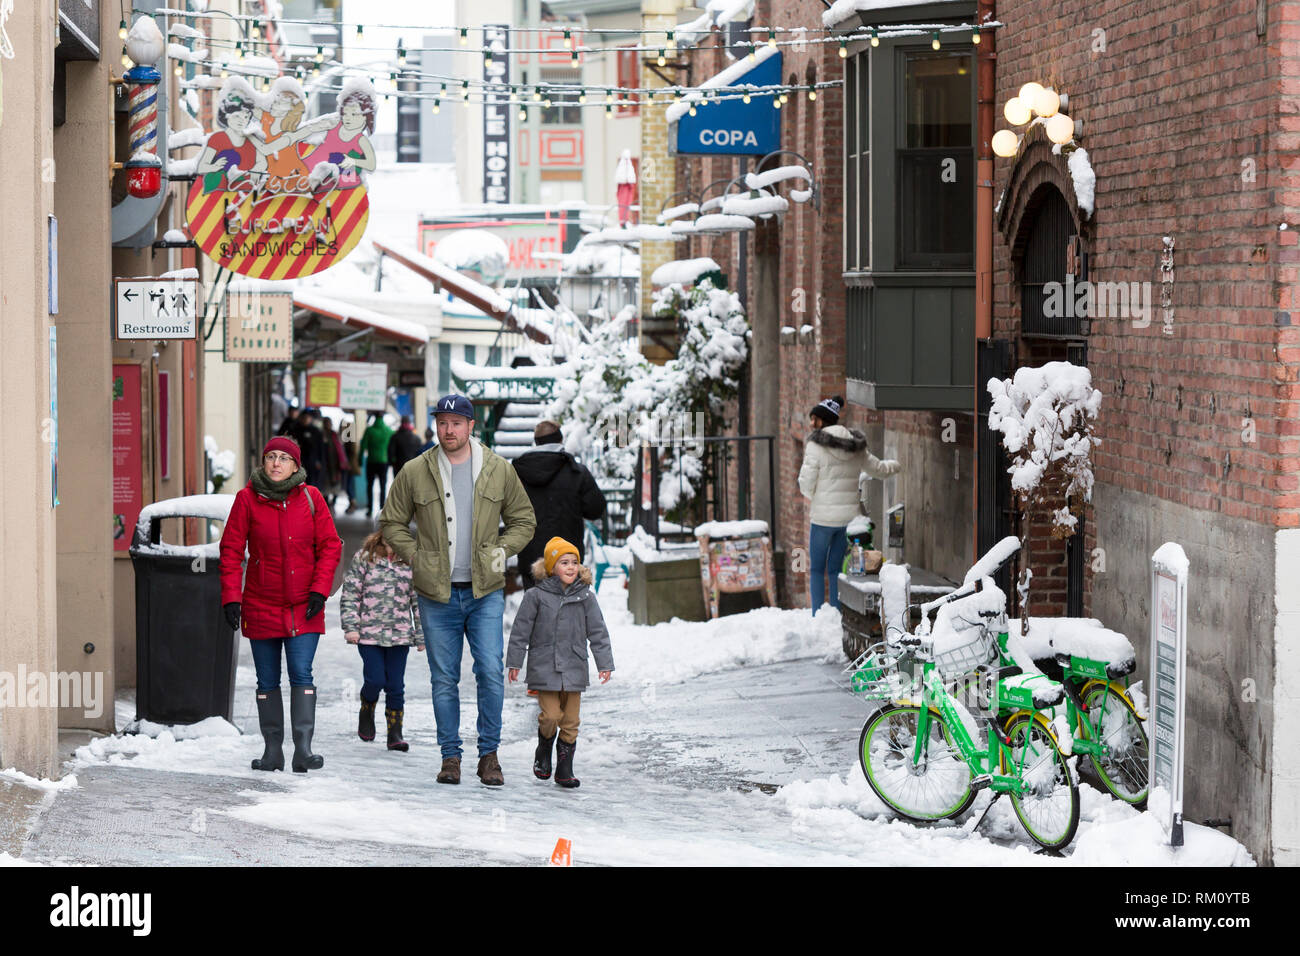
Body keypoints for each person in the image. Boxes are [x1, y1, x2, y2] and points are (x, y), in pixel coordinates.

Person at [379, 394, 536, 787]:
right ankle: (450, 757)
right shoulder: (416, 470)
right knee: (444, 678)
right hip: (438, 594)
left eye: (456, 422)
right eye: (442, 422)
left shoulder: (498, 469)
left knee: (489, 672)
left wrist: (501, 550)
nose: (448, 430)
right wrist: (416, 556)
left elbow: (523, 520)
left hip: (485, 592)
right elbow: (391, 521)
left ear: (471, 426)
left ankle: (490, 756)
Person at [219, 437, 343, 773]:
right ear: (263, 462)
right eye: (271, 456)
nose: (276, 463)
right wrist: (231, 596)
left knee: (301, 673)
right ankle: (273, 751)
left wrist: (320, 589)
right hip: (261, 604)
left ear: (295, 465)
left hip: (304, 606)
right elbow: (230, 551)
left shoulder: (310, 498)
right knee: (267, 680)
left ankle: (303, 750)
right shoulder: (247, 499)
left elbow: (331, 546)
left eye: (284, 458)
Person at [507, 537, 614, 789]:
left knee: (571, 721)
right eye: (564, 562)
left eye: (574, 562)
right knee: (551, 715)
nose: (570, 567)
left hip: (574, 666)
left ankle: (565, 769)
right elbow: (520, 631)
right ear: (552, 567)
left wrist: (604, 663)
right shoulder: (535, 596)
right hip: (544, 667)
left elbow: (598, 631)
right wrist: (514, 662)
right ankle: (544, 748)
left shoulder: (585, 596)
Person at [798, 396, 900, 615]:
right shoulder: (856, 446)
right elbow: (879, 469)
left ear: (823, 420)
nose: (812, 424)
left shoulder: (815, 446)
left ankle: (817, 614)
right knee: (835, 569)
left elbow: (806, 482)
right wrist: (896, 466)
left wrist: (813, 497)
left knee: (817, 569)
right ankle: (836, 612)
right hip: (848, 521)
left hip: (822, 521)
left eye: (814, 420)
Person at [340, 531, 424, 751]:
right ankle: (367, 707)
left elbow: (419, 600)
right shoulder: (365, 557)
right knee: (376, 679)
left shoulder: (411, 559)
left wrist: (421, 634)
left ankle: (395, 733)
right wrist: (351, 627)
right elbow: (351, 593)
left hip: (400, 634)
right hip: (369, 634)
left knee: (395, 685)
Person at [511, 420, 606, 589]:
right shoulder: (577, 472)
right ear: (560, 440)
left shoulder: (517, 473)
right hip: (567, 559)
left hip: (531, 559)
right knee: (569, 611)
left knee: (537, 610)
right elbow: (595, 509)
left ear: (536, 442)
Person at [360, 412, 395, 516]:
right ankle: (382, 508)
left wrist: (359, 461)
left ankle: (369, 509)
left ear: (374, 417)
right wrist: (392, 460)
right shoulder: (389, 431)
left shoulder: (369, 430)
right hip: (383, 462)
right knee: (383, 485)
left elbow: (363, 447)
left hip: (371, 461)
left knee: (369, 485)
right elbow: (392, 448)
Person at [296, 408, 329, 491]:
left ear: (310, 418)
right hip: (299, 462)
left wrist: (320, 461)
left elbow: (321, 449)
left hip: (313, 463)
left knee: (312, 484)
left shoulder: (316, 432)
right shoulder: (295, 430)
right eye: (303, 417)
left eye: (307, 417)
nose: (305, 420)